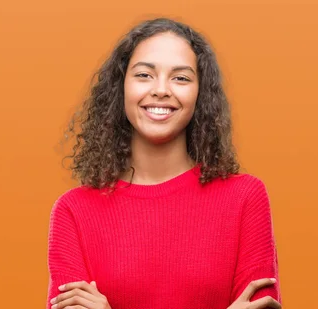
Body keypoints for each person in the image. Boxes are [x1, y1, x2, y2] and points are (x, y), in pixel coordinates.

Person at [46, 18, 281, 309]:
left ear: (200, 94)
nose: (161, 90)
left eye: (180, 78)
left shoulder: (245, 198)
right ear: (121, 88)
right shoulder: (74, 211)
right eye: (144, 75)